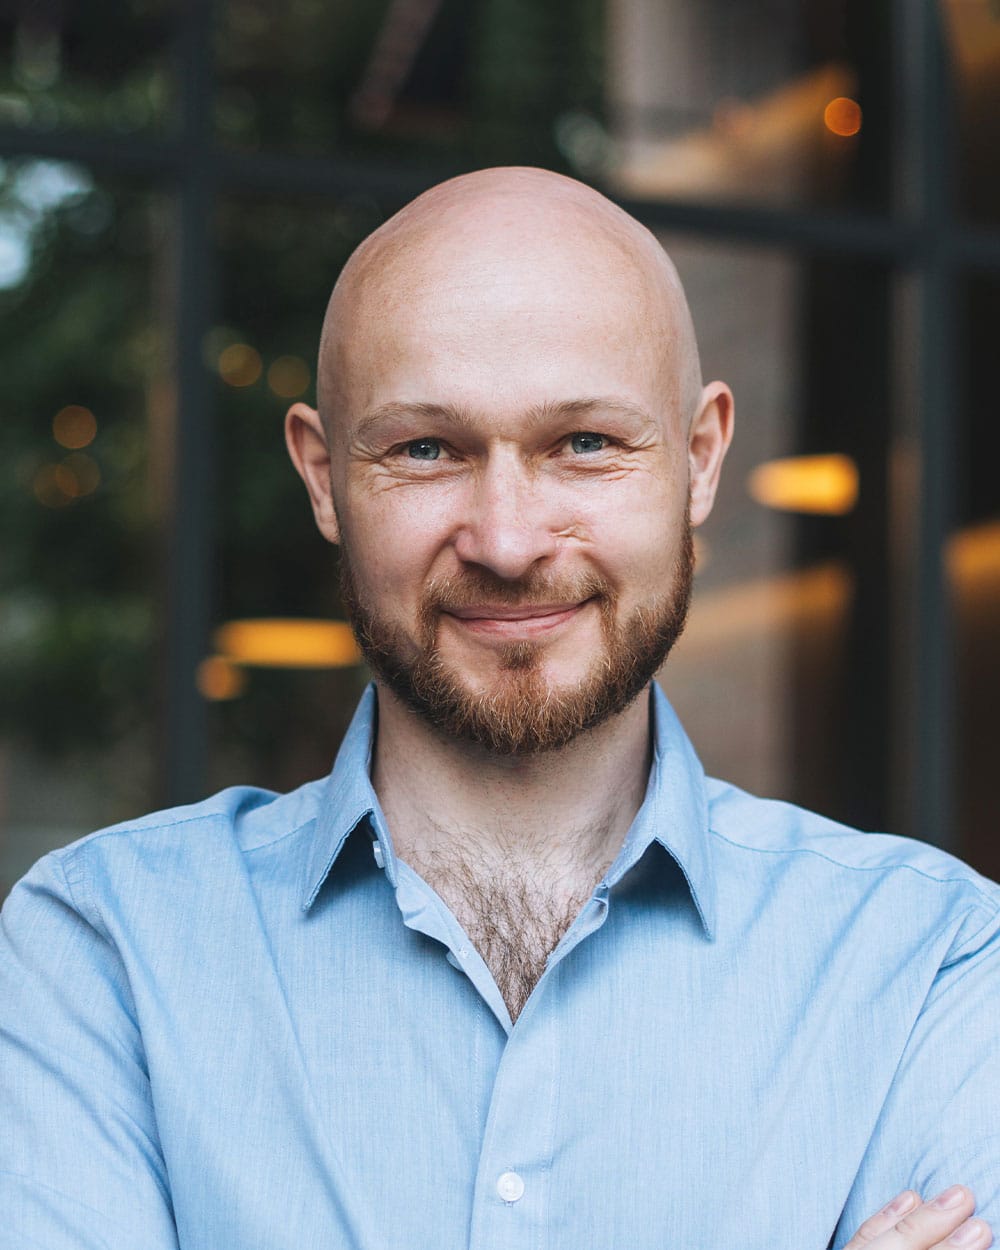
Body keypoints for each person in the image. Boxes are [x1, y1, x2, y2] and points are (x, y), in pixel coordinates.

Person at [1, 168, 997, 1250]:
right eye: (427, 448)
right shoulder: (102, 952)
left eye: (586, 444)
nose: (509, 540)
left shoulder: (932, 961)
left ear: (700, 457)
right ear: (324, 476)